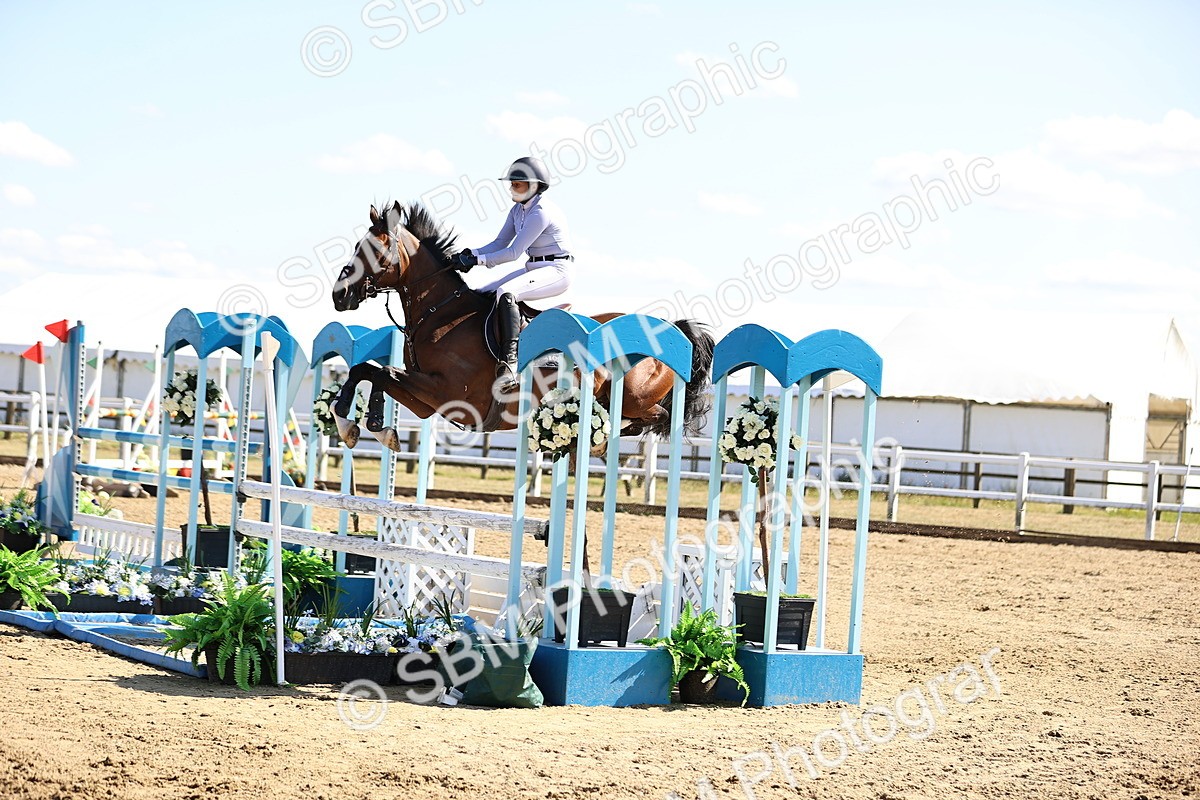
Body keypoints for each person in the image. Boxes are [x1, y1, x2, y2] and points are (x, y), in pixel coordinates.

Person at [456, 156, 574, 389]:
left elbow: (513, 252)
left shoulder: (540, 212)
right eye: (511, 183)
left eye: (517, 184)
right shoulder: (517, 210)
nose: (511, 188)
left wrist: (478, 261)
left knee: (506, 292)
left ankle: (510, 360)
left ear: (534, 186)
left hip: (557, 270)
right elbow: (500, 242)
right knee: (482, 291)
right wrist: (470, 253)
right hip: (534, 266)